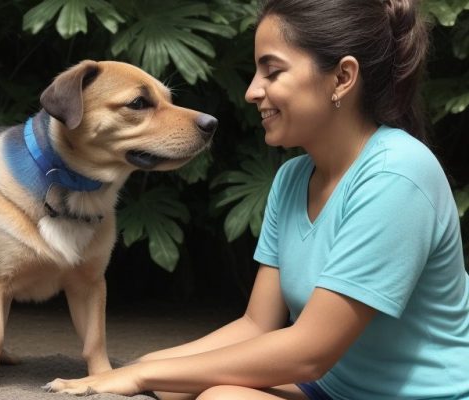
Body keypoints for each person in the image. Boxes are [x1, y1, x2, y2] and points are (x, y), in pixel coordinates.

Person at [44, 0, 469, 398]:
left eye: (272, 72)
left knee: (215, 395)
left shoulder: (397, 173)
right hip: (329, 387)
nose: (251, 91)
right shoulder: (292, 178)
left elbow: (310, 352)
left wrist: (140, 375)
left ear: (342, 78)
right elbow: (256, 325)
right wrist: (137, 370)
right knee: (162, 381)